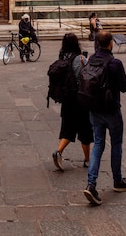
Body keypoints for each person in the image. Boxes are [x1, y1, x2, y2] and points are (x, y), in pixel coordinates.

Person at [84, 30, 126, 206]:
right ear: (111, 43)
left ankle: (91, 184)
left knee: (98, 144)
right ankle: (118, 180)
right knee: (116, 145)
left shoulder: (91, 59)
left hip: (94, 109)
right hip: (111, 110)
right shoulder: (115, 63)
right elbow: (125, 87)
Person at [52, 33, 93, 171]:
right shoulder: (80, 58)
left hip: (67, 99)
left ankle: (58, 152)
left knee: (68, 128)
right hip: (80, 99)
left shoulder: (62, 57)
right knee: (85, 129)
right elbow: (87, 75)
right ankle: (87, 160)